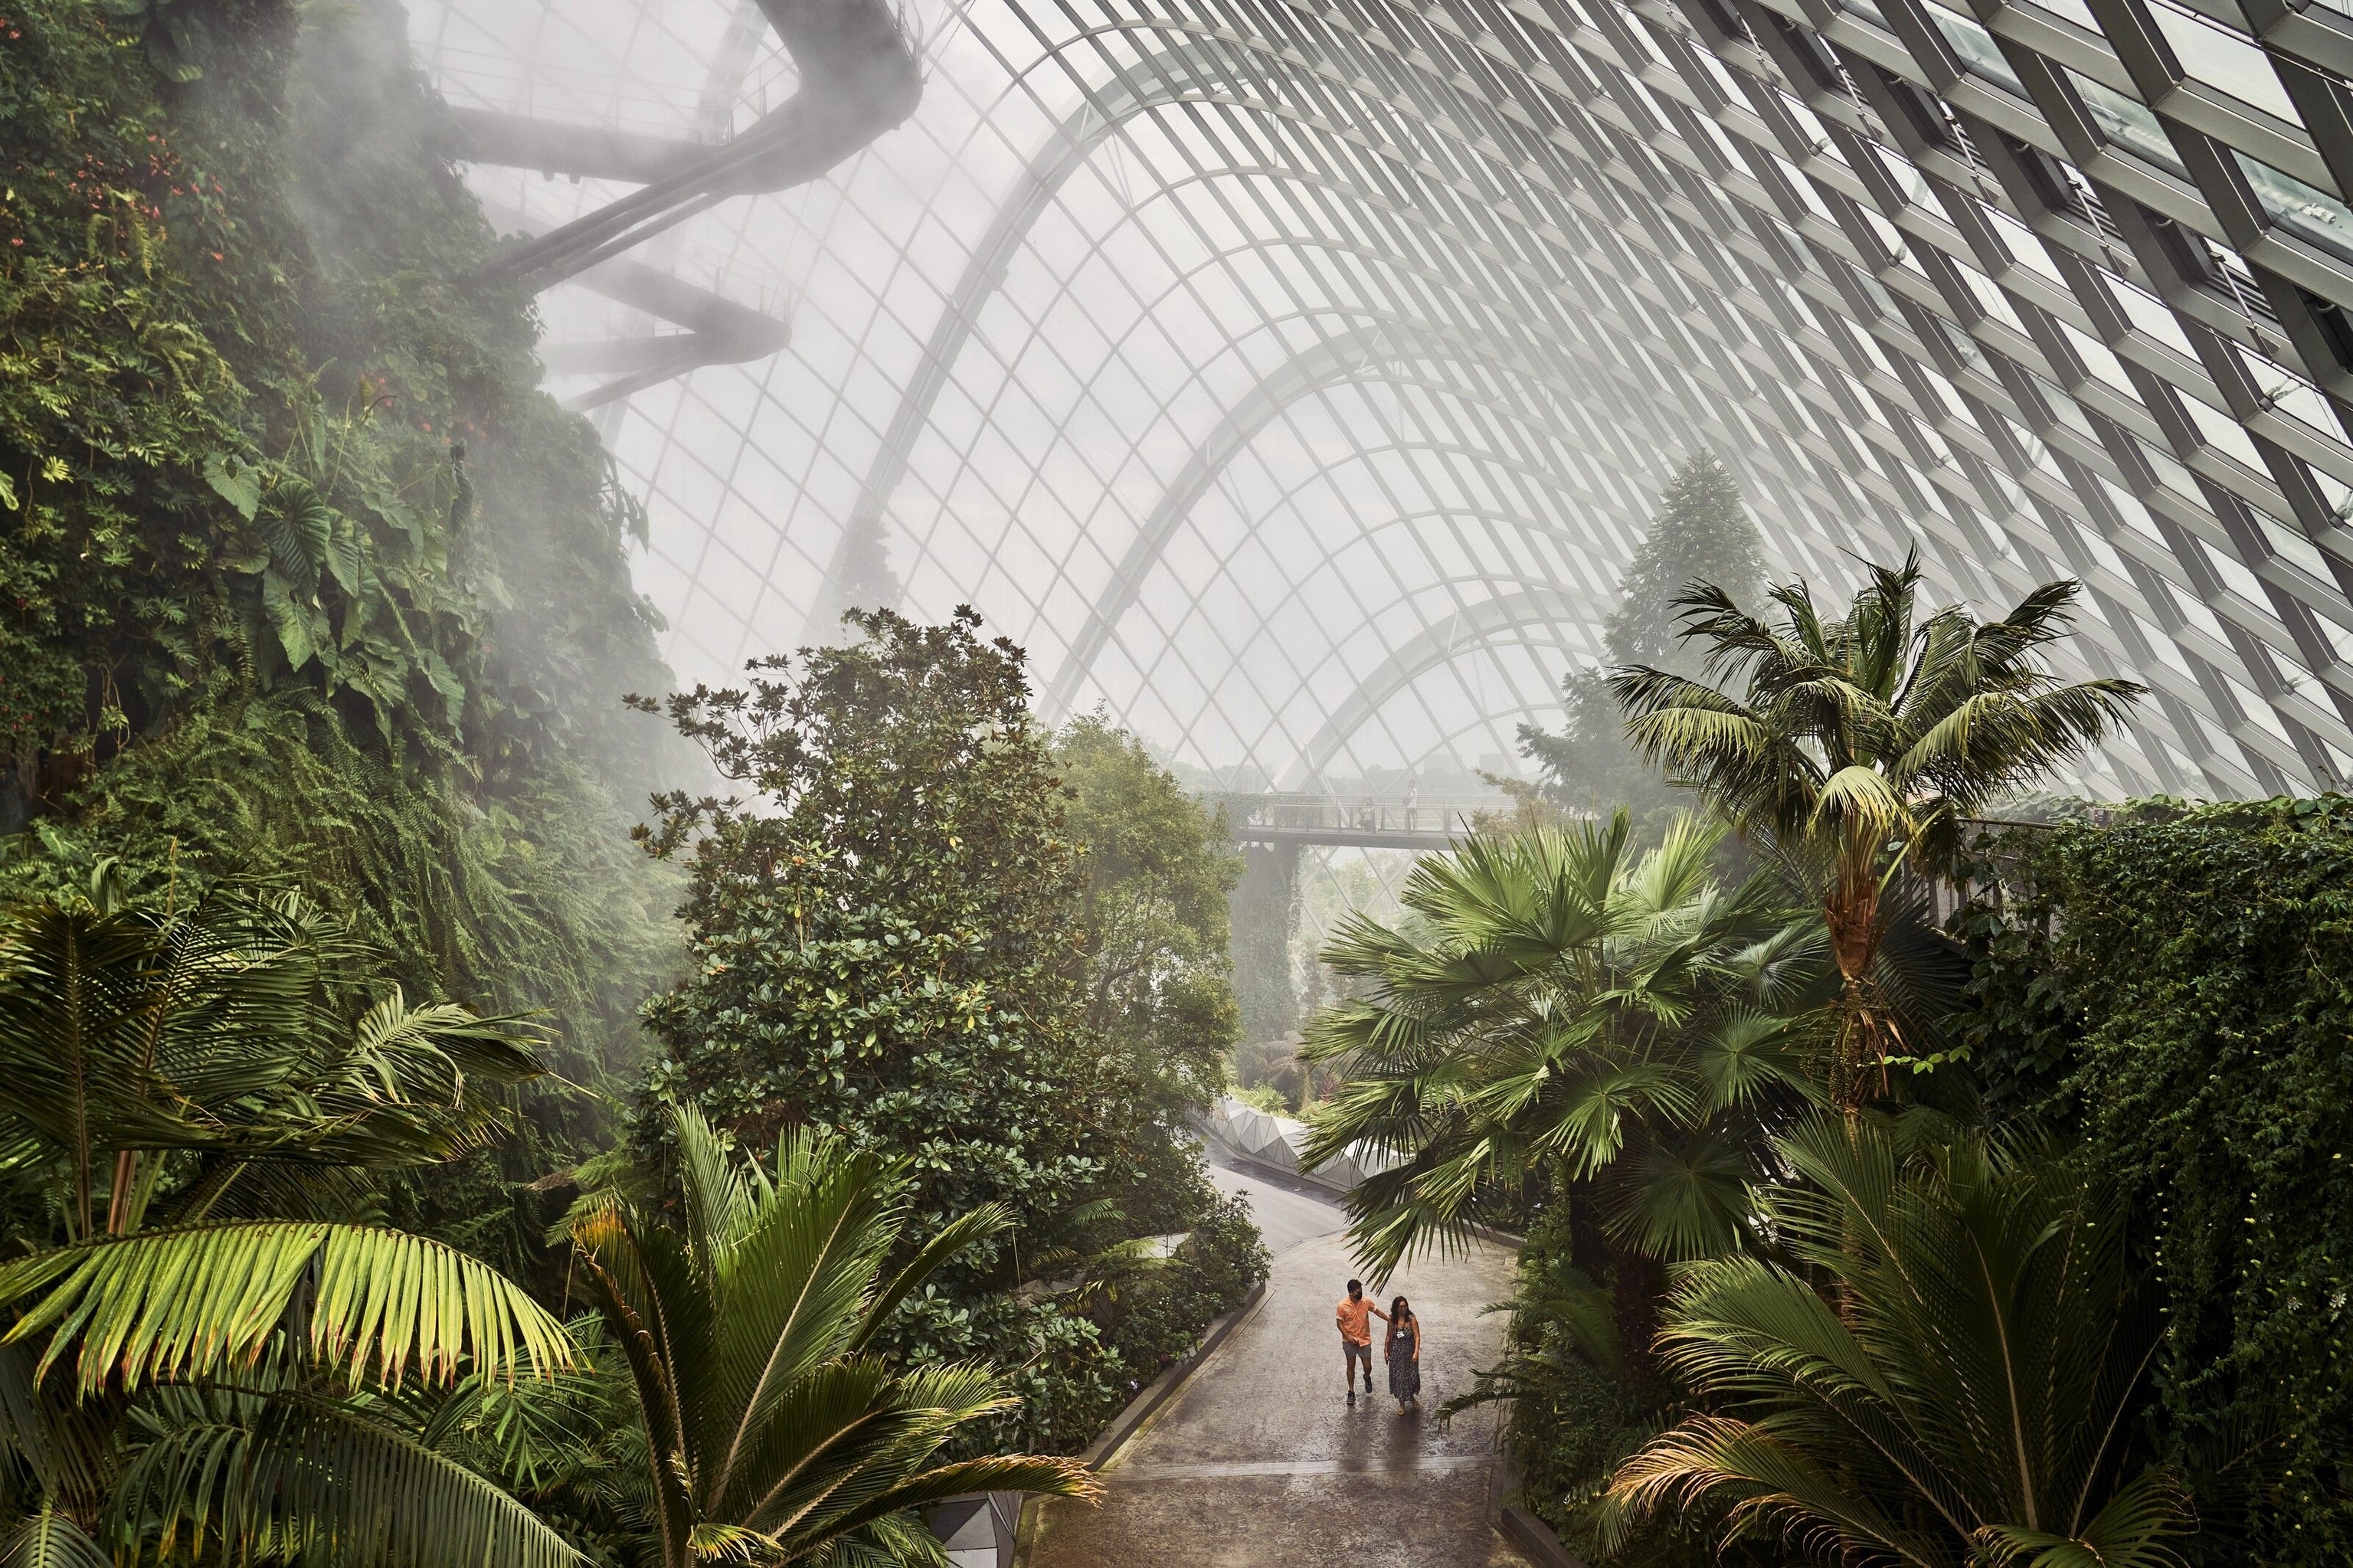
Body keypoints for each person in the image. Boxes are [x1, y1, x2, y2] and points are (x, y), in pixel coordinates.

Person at [1335, 1278, 1388, 1405]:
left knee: (1368, 1366)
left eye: (1361, 1291)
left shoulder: (1366, 1302)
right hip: (1350, 1341)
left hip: (1364, 1339)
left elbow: (1377, 1311)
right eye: (1358, 1291)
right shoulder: (1342, 1306)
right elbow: (1339, 1324)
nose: (1360, 1293)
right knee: (1351, 1366)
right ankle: (1351, 1391)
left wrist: (1389, 1319)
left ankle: (1366, 1377)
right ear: (1351, 1292)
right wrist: (1348, 1337)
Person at [1385, 1294, 1421, 1412]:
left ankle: (1411, 1398)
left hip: (1409, 1353)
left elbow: (1417, 1337)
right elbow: (1389, 1336)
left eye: (1405, 1306)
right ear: (1396, 1308)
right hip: (1396, 1354)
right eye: (1401, 1307)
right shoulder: (1392, 1320)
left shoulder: (1411, 1319)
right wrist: (1386, 1351)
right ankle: (1401, 1404)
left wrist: (1416, 1353)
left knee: (1411, 1377)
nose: (1403, 1309)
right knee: (1399, 1378)